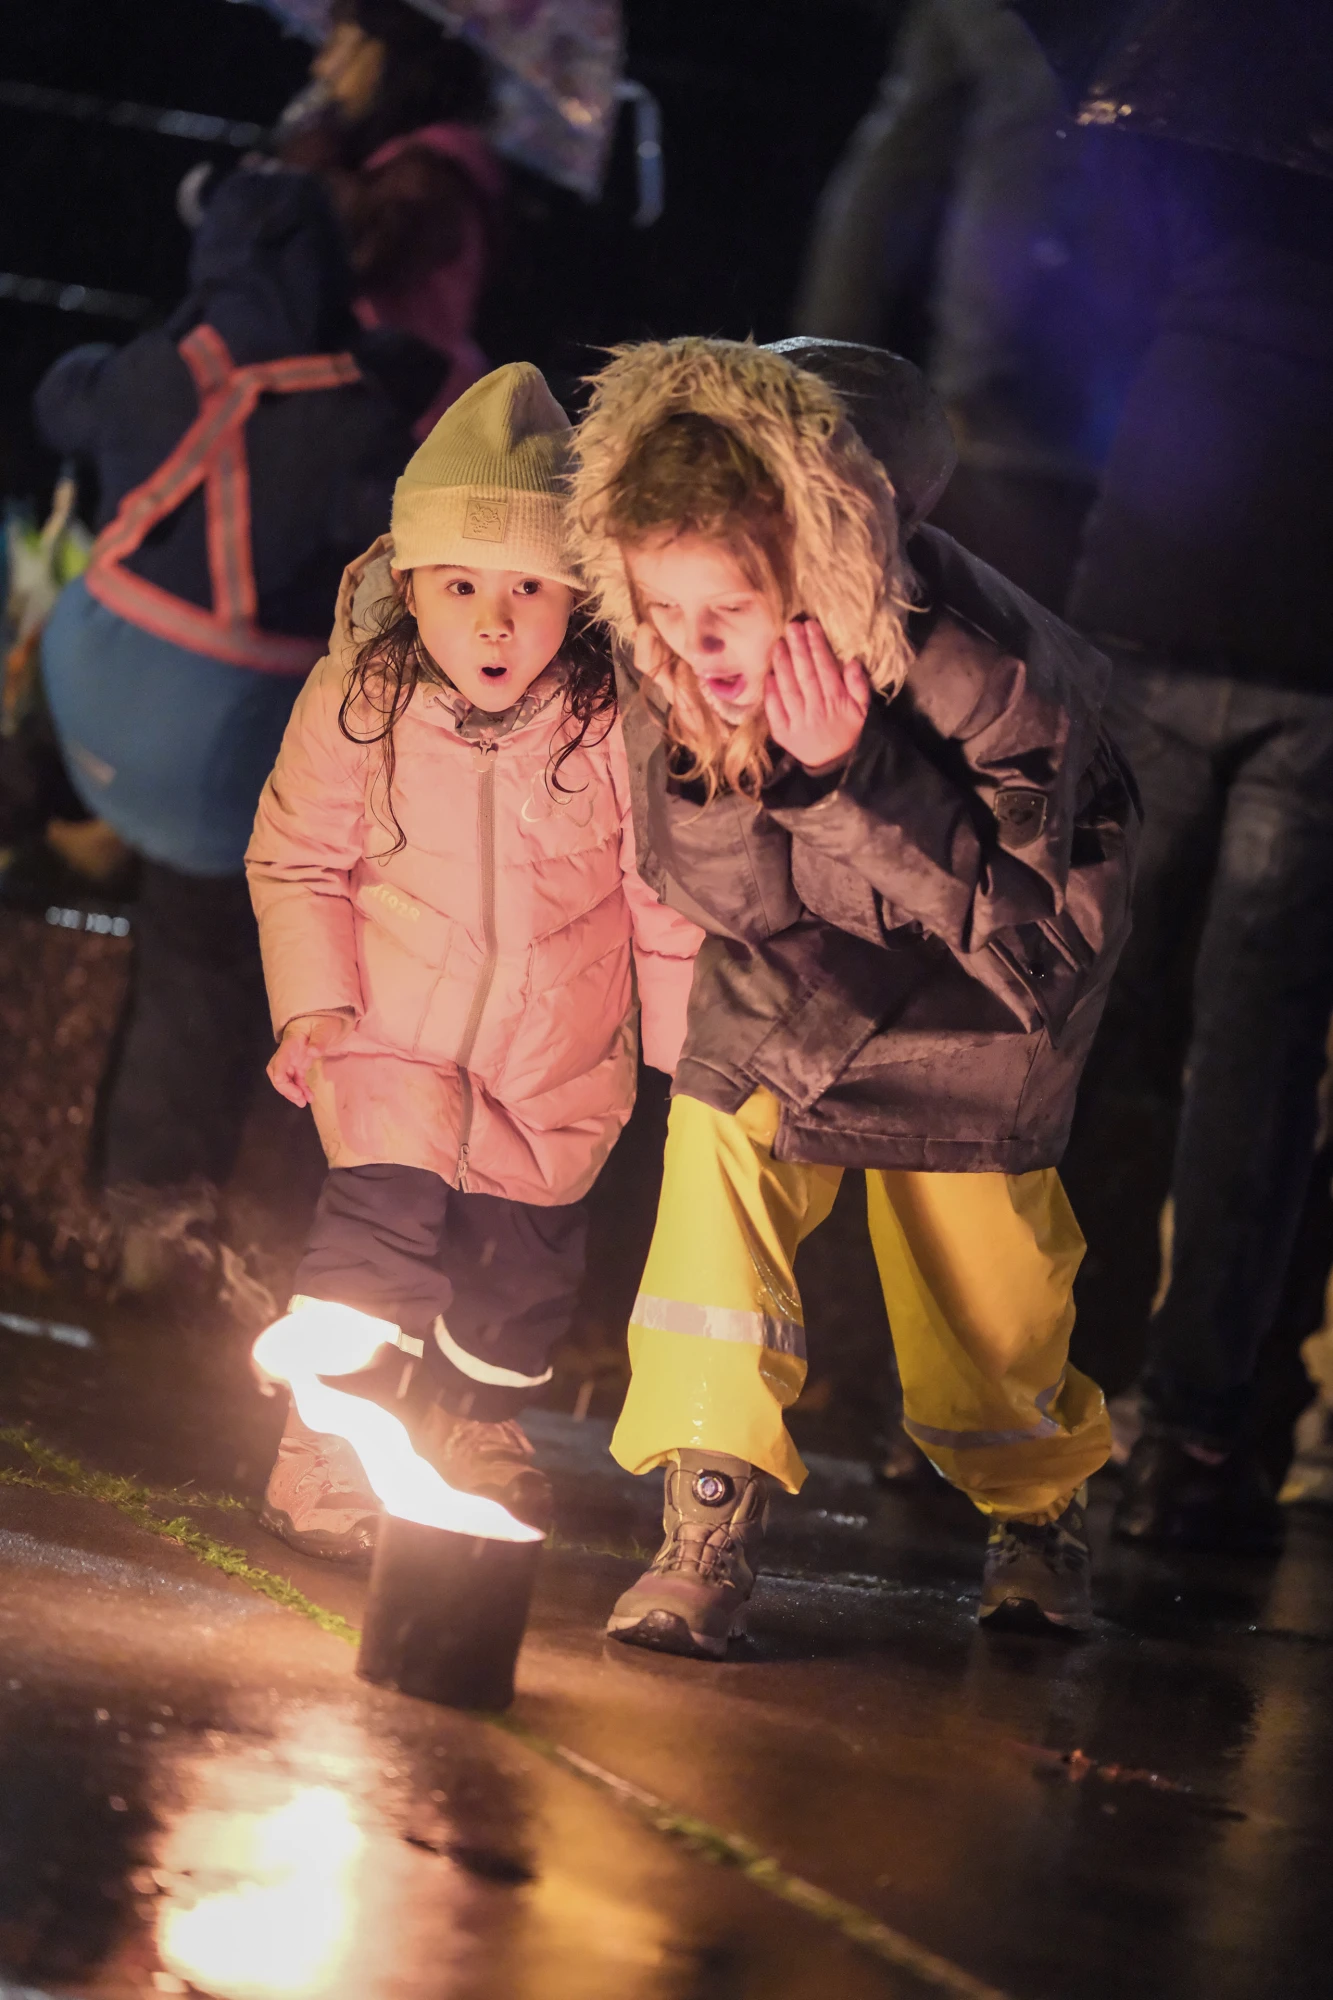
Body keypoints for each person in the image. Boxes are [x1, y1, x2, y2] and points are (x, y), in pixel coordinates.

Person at [567, 335, 1139, 1653]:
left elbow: (1028, 946)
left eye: (724, 613)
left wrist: (845, 773)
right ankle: (702, 1513)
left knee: (987, 1304)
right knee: (715, 1181)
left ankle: (1037, 1510)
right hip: (793, 994)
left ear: (825, 555)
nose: (691, 645)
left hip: (974, 1025)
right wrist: (717, 768)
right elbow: (734, 904)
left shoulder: (1003, 677)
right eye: (663, 613)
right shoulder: (679, 646)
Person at [246, 361, 701, 1559]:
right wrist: (312, 1006)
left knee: (519, 1282)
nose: (493, 620)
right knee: (369, 1253)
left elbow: (660, 893)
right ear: (407, 585)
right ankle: (326, 1442)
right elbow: (294, 860)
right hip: (387, 1044)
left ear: (580, 601)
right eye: (458, 584)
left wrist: (681, 1051)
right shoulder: (362, 700)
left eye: (528, 588)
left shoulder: (613, 722)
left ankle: (477, 1422)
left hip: (552, 1066)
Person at [36, 167, 413, 1286]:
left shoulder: (155, 372)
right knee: (219, 962)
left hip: (91, 707)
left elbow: (65, 398)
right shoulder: (358, 421)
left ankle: (144, 1214)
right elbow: (384, 526)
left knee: (171, 934)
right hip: (224, 755)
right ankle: (244, 1229)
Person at [1057, 138, 1333, 1552]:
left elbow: (1100, 288)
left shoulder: (1225, 109)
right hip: (1318, 657)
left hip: (1165, 588)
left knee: (1091, 1013)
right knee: (1255, 1061)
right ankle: (1192, 1428)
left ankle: (1020, 1391)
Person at [276, 0, 503, 437]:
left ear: (391, 54)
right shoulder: (404, 164)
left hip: (411, 418)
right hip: (401, 404)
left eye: (339, 45)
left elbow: (349, 249)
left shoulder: (430, 174)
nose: (322, 68)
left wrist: (310, 153)